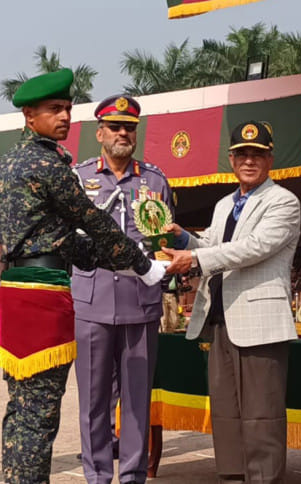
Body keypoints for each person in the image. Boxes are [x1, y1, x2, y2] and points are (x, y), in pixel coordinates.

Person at [0, 69, 167, 484]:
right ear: (30, 116)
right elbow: (94, 223)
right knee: (40, 413)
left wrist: (117, 260)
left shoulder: (10, 160)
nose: (65, 117)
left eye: (68, 109)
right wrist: (142, 265)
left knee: (20, 409)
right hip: (43, 294)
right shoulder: (49, 164)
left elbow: (65, 240)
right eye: (55, 110)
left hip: (17, 290)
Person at [163, 120, 301, 484]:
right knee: (225, 412)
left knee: (262, 414)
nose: (249, 161)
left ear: (270, 159)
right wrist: (184, 240)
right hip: (220, 318)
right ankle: (232, 477)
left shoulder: (283, 201)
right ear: (231, 159)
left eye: (257, 155)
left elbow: (253, 248)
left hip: (260, 323)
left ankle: (264, 479)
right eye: (242, 154)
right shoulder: (226, 203)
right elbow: (213, 244)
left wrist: (193, 260)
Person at [71, 93, 174, 484]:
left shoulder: (154, 180)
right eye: (115, 127)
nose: (122, 133)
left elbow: (161, 241)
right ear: (100, 132)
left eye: (129, 128)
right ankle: (97, 475)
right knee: (93, 402)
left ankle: (132, 476)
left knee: (135, 401)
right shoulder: (80, 179)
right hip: (92, 299)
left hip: (139, 301)